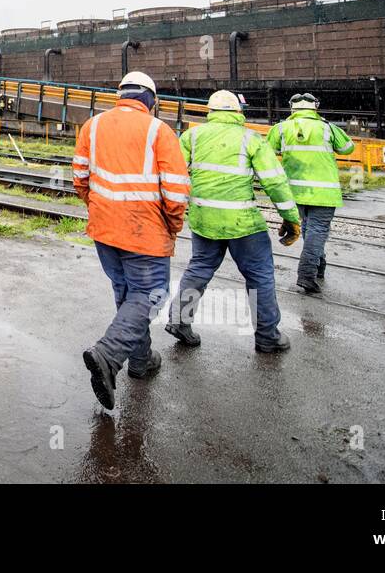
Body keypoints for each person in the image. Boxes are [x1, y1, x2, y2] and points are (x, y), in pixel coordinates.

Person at [75, 71, 190, 410]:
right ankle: (108, 356)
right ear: (151, 101)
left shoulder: (91, 126)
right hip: (145, 233)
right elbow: (175, 191)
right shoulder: (159, 131)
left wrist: (101, 209)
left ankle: (141, 362)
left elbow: (80, 179)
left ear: (121, 96)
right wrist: (172, 224)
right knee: (151, 295)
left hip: (104, 231)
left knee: (128, 295)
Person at [165, 90, 300, 353]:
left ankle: (179, 321)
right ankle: (267, 336)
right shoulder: (250, 138)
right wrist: (290, 217)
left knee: (200, 268)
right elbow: (274, 180)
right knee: (260, 276)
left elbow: (175, 176)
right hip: (243, 223)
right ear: (238, 112)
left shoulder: (191, 136)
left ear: (210, 112)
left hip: (205, 219)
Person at [266, 93, 356, 294]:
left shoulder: (280, 128)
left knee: (309, 228)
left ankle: (319, 267)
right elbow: (348, 148)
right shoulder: (327, 128)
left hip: (295, 191)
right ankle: (307, 274)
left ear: (292, 108)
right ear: (315, 108)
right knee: (317, 230)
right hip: (324, 193)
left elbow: (266, 153)